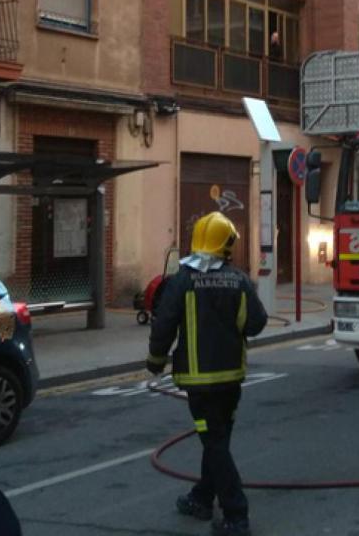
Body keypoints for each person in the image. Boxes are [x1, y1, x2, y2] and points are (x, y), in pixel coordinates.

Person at [147, 211, 268, 536]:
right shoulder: (239, 279)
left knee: (214, 442)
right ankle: (201, 497)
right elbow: (255, 323)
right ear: (226, 244)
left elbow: (164, 324)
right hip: (231, 379)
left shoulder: (182, 280)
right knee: (218, 439)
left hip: (199, 383)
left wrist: (155, 361)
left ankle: (236, 515)